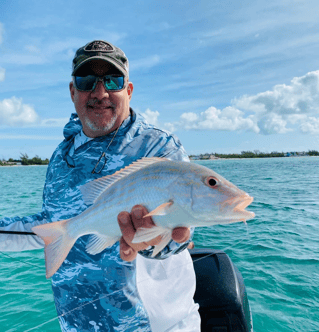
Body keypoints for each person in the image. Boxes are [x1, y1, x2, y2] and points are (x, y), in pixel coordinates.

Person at [0, 40, 200, 332]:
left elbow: (176, 236)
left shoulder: (158, 147)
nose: (100, 92)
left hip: (156, 326)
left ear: (128, 91)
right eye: (87, 81)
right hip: (78, 325)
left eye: (113, 81)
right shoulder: (61, 155)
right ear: (73, 92)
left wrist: (156, 239)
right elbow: (51, 227)